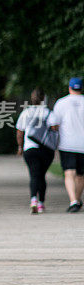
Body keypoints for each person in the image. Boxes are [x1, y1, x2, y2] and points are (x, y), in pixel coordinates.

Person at [15, 88, 56, 214]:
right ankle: (41, 203)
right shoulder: (48, 113)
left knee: (34, 174)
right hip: (46, 150)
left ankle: (33, 200)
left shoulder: (25, 113)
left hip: (30, 148)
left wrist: (20, 147)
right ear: (44, 99)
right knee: (42, 175)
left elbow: (20, 132)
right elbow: (54, 128)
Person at [51, 77, 84, 212]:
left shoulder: (61, 103)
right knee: (81, 175)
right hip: (83, 144)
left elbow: (54, 124)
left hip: (67, 144)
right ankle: (77, 199)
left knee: (69, 173)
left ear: (70, 88)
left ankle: (73, 201)